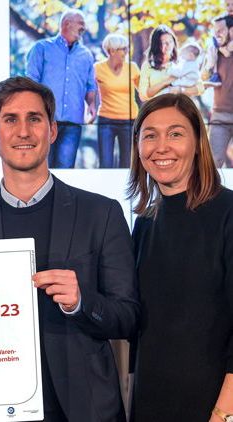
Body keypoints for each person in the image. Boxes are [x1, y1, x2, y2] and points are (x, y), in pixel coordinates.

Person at [0, 76, 139, 421]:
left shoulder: (101, 214)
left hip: (86, 409)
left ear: (53, 131)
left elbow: (127, 318)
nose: (23, 131)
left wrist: (81, 302)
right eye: (10, 119)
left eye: (34, 119)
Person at [127, 93, 233, 421]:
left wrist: (223, 412)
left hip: (212, 407)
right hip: (150, 404)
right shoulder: (145, 222)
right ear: (138, 147)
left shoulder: (228, 212)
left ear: (198, 143)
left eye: (175, 134)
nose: (161, 147)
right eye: (150, 136)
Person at [26, 8, 97, 168]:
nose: (84, 28)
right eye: (80, 23)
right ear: (66, 23)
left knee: (66, 172)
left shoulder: (86, 55)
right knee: (43, 168)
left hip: (73, 123)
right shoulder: (41, 48)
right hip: (45, 120)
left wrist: (92, 104)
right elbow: (31, 83)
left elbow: (90, 85)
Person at [94, 33, 140, 168]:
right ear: (112, 51)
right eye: (123, 49)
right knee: (105, 164)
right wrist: (90, 108)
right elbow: (89, 89)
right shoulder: (98, 68)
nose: (127, 52)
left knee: (127, 164)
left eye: (127, 48)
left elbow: (144, 92)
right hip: (106, 120)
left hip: (129, 121)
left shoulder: (132, 67)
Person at [138, 25, 203, 101]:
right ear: (156, 45)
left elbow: (200, 88)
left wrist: (181, 90)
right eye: (164, 43)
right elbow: (143, 96)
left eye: (170, 41)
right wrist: (166, 82)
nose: (168, 45)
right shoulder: (147, 66)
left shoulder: (183, 61)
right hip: (158, 106)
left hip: (179, 105)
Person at [208, 14, 233, 168]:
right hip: (219, 116)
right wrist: (210, 65)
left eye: (221, 30)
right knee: (213, 162)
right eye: (215, 30)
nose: (217, 34)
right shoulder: (214, 52)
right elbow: (202, 79)